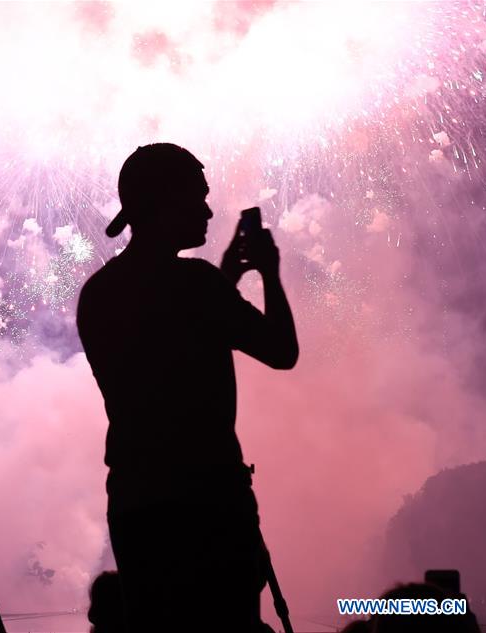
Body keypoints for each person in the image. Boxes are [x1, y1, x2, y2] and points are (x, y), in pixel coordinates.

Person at [76, 143, 299, 631]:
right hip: (211, 500)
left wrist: (225, 281)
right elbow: (282, 351)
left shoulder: (99, 292)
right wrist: (268, 272)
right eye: (196, 198)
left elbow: (172, 347)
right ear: (164, 203)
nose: (207, 209)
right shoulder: (198, 285)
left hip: (138, 502)